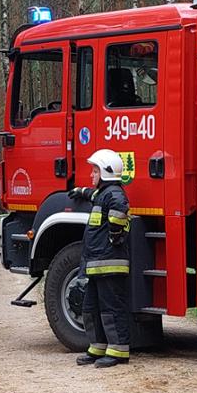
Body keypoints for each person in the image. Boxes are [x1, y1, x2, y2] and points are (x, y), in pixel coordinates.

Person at [72, 149, 132, 367]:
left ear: (106, 172)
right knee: (91, 308)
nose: (91, 175)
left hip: (109, 262)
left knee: (111, 309)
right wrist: (82, 191)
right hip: (97, 264)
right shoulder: (103, 193)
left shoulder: (114, 192)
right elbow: (95, 196)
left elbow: (119, 210)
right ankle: (97, 348)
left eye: (95, 171)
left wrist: (115, 234)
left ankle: (118, 352)